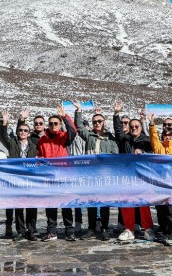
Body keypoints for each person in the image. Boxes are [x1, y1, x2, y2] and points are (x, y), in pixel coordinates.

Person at [73, 101, 118, 241]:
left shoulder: (110, 138)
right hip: (91, 175)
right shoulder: (89, 136)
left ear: (104, 122)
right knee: (91, 202)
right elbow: (79, 127)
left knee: (104, 204)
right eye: (95, 121)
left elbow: (115, 155)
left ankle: (104, 228)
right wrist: (79, 110)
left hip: (105, 176)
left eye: (99, 121)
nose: (97, 123)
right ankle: (91, 228)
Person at [113, 100, 155, 242]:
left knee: (144, 203)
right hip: (127, 176)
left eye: (136, 126)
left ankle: (148, 229)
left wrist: (142, 151)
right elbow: (118, 130)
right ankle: (129, 229)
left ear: (140, 127)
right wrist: (116, 114)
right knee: (127, 203)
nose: (134, 128)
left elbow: (152, 152)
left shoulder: (146, 139)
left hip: (142, 176)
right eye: (131, 126)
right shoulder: (125, 139)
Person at [37, 106, 77, 242]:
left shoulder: (64, 137)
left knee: (66, 205)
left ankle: (69, 231)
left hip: (64, 175)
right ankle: (51, 232)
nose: (53, 126)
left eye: (56, 123)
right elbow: (39, 156)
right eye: (51, 123)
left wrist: (65, 117)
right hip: (49, 176)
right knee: (51, 205)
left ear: (60, 125)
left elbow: (73, 131)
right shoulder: (43, 139)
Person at [0, 110, 38, 241]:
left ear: (29, 133)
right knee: (19, 206)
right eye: (20, 130)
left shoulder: (34, 147)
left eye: (25, 130)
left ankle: (31, 230)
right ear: (17, 132)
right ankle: (21, 231)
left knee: (32, 206)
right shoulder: (12, 144)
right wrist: (4, 124)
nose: (22, 132)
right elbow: (3, 137)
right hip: (16, 179)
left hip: (30, 180)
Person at [148, 112, 172, 246]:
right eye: (165, 135)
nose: (167, 136)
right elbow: (154, 138)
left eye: (170, 134)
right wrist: (152, 124)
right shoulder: (159, 147)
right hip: (161, 183)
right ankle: (164, 231)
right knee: (161, 209)